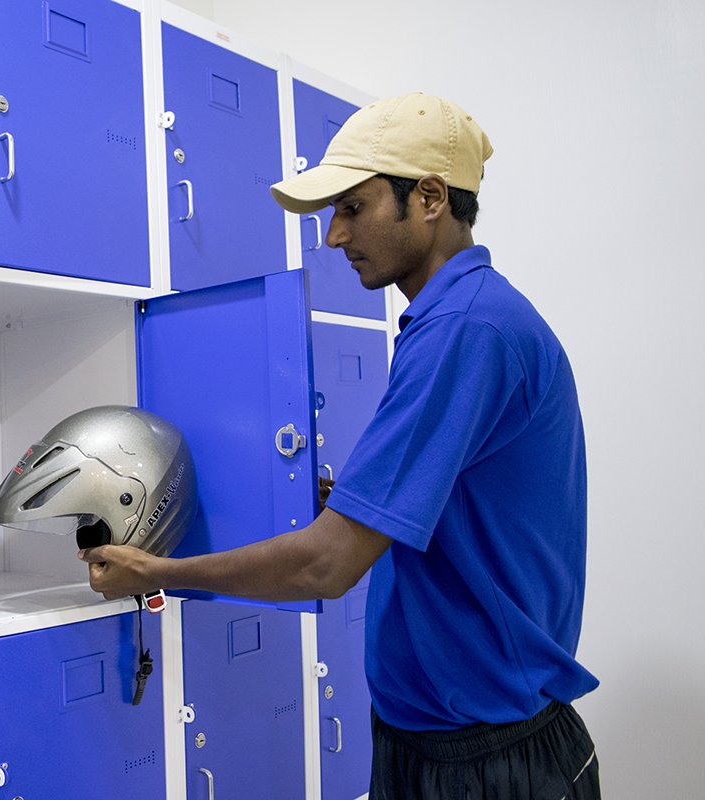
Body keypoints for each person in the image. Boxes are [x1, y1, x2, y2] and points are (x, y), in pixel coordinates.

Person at [79, 92, 600, 799]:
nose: (332, 237)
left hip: (488, 762)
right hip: (432, 742)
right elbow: (453, 510)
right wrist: (351, 502)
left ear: (430, 198)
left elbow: (325, 567)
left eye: (353, 208)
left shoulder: (466, 331)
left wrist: (156, 573)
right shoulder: (456, 319)